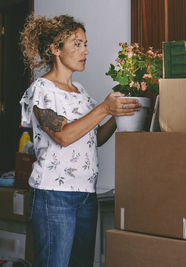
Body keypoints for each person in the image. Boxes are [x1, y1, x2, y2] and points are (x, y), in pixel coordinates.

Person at [19, 14, 138, 267]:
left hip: (86, 194)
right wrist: (105, 108)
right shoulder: (41, 90)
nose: (85, 50)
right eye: (77, 43)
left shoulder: (81, 93)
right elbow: (63, 135)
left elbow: (94, 139)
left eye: (85, 44)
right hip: (54, 196)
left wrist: (117, 114)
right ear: (55, 49)